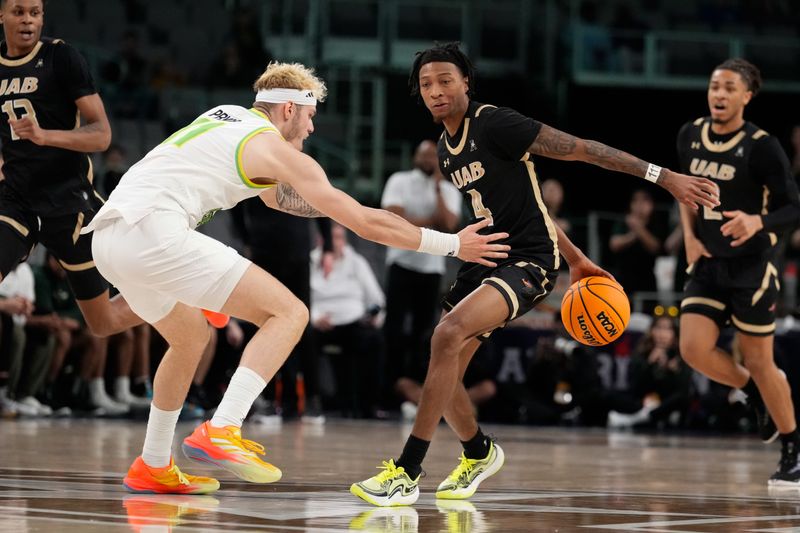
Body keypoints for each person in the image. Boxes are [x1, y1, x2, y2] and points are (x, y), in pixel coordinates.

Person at [82, 61, 508, 495]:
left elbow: (279, 199)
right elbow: (365, 222)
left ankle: (153, 463)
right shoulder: (271, 146)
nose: (311, 129)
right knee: (288, 313)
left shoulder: (226, 117)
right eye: (309, 118)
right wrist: (452, 245)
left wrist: (332, 204)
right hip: (154, 232)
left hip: (109, 239)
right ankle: (222, 428)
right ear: (289, 109)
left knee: (190, 336)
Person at [351, 41, 720, 507]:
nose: (436, 90)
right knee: (443, 377)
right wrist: (579, 257)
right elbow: (535, 205)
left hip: (529, 260)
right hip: (486, 256)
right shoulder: (446, 149)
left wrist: (662, 176)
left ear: (466, 81)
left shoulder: (496, 123)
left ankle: (406, 472)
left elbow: (583, 149)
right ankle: (479, 452)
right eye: (426, 84)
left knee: (444, 337)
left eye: (446, 79)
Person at [676, 58, 800, 486]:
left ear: (747, 96)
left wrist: (757, 222)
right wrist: (690, 237)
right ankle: (751, 394)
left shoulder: (763, 146)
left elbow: (793, 207)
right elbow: (683, 190)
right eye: (714, 86)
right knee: (692, 348)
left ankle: (792, 447)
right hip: (709, 261)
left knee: (761, 361)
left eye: (730, 88)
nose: (720, 95)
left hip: (753, 266)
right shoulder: (690, 135)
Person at [0, 0, 140, 337]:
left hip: (68, 200)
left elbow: (102, 134)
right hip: (17, 200)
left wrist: (44, 136)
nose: (28, 20)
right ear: (1, 15)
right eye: (19, 12)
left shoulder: (60, 58)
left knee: (102, 323)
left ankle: (171, 297)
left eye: (35, 12)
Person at [381, 139, 461, 409]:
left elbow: (449, 224)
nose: (428, 160)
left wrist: (437, 188)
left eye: (433, 157)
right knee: (393, 329)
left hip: (431, 269)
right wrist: (430, 228)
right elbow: (394, 218)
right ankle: (388, 390)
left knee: (424, 333)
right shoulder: (399, 180)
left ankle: (416, 392)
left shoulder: (449, 190)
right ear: (415, 157)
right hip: (401, 264)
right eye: (424, 155)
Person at [310, 223, 385, 417]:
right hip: (320, 325)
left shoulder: (357, 262)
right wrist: (314, 317)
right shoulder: (311, 262)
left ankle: (368, 406)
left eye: (341, 238)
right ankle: (310, 402)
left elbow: (377, 299)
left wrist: (375, 318)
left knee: (374, 340)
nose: (338, 243)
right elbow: (301, 299)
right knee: (300, 340)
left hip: (353, 323)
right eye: (333, 237)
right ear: (321, 240)